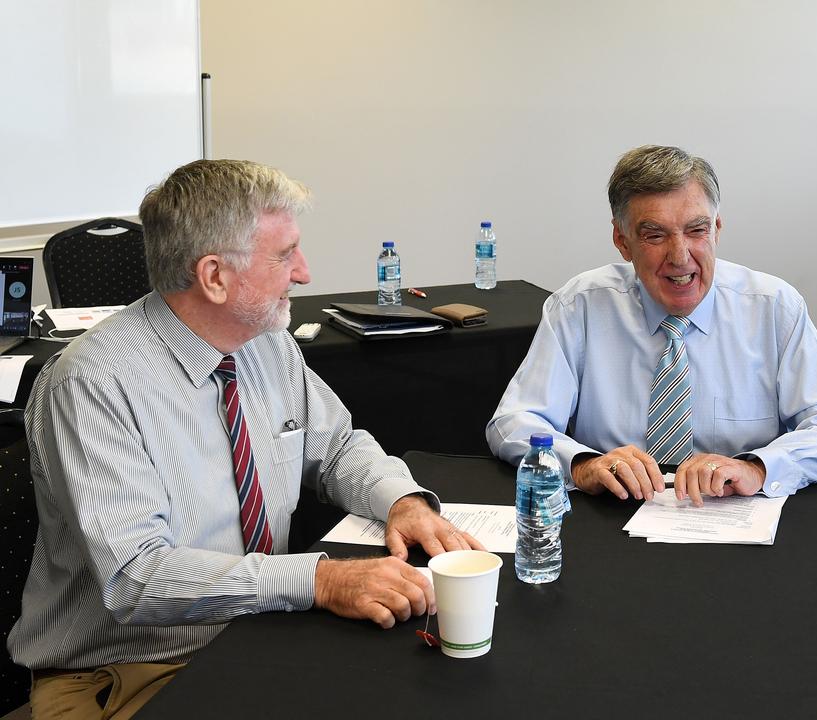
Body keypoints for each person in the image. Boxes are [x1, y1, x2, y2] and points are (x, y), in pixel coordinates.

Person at [8, 159, 482, 719]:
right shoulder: (93, 382)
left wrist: (398, 500)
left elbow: (335, 447)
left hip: (260, 634)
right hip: (127, 671)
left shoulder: (266, 343)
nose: (304, 273)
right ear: (214, 276)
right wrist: (320, 579)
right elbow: (136, 577)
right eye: (284, 255)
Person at [486, 145, 817, 505]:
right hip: (613, 516)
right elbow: (514, 422)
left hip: (734, 517)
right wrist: (582, 464)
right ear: (623, 240)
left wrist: (758, 467)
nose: (680, 256)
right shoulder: (579, 306)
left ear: (716, 229)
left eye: (696, 230)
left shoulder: (773, 307)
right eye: (655, 235)